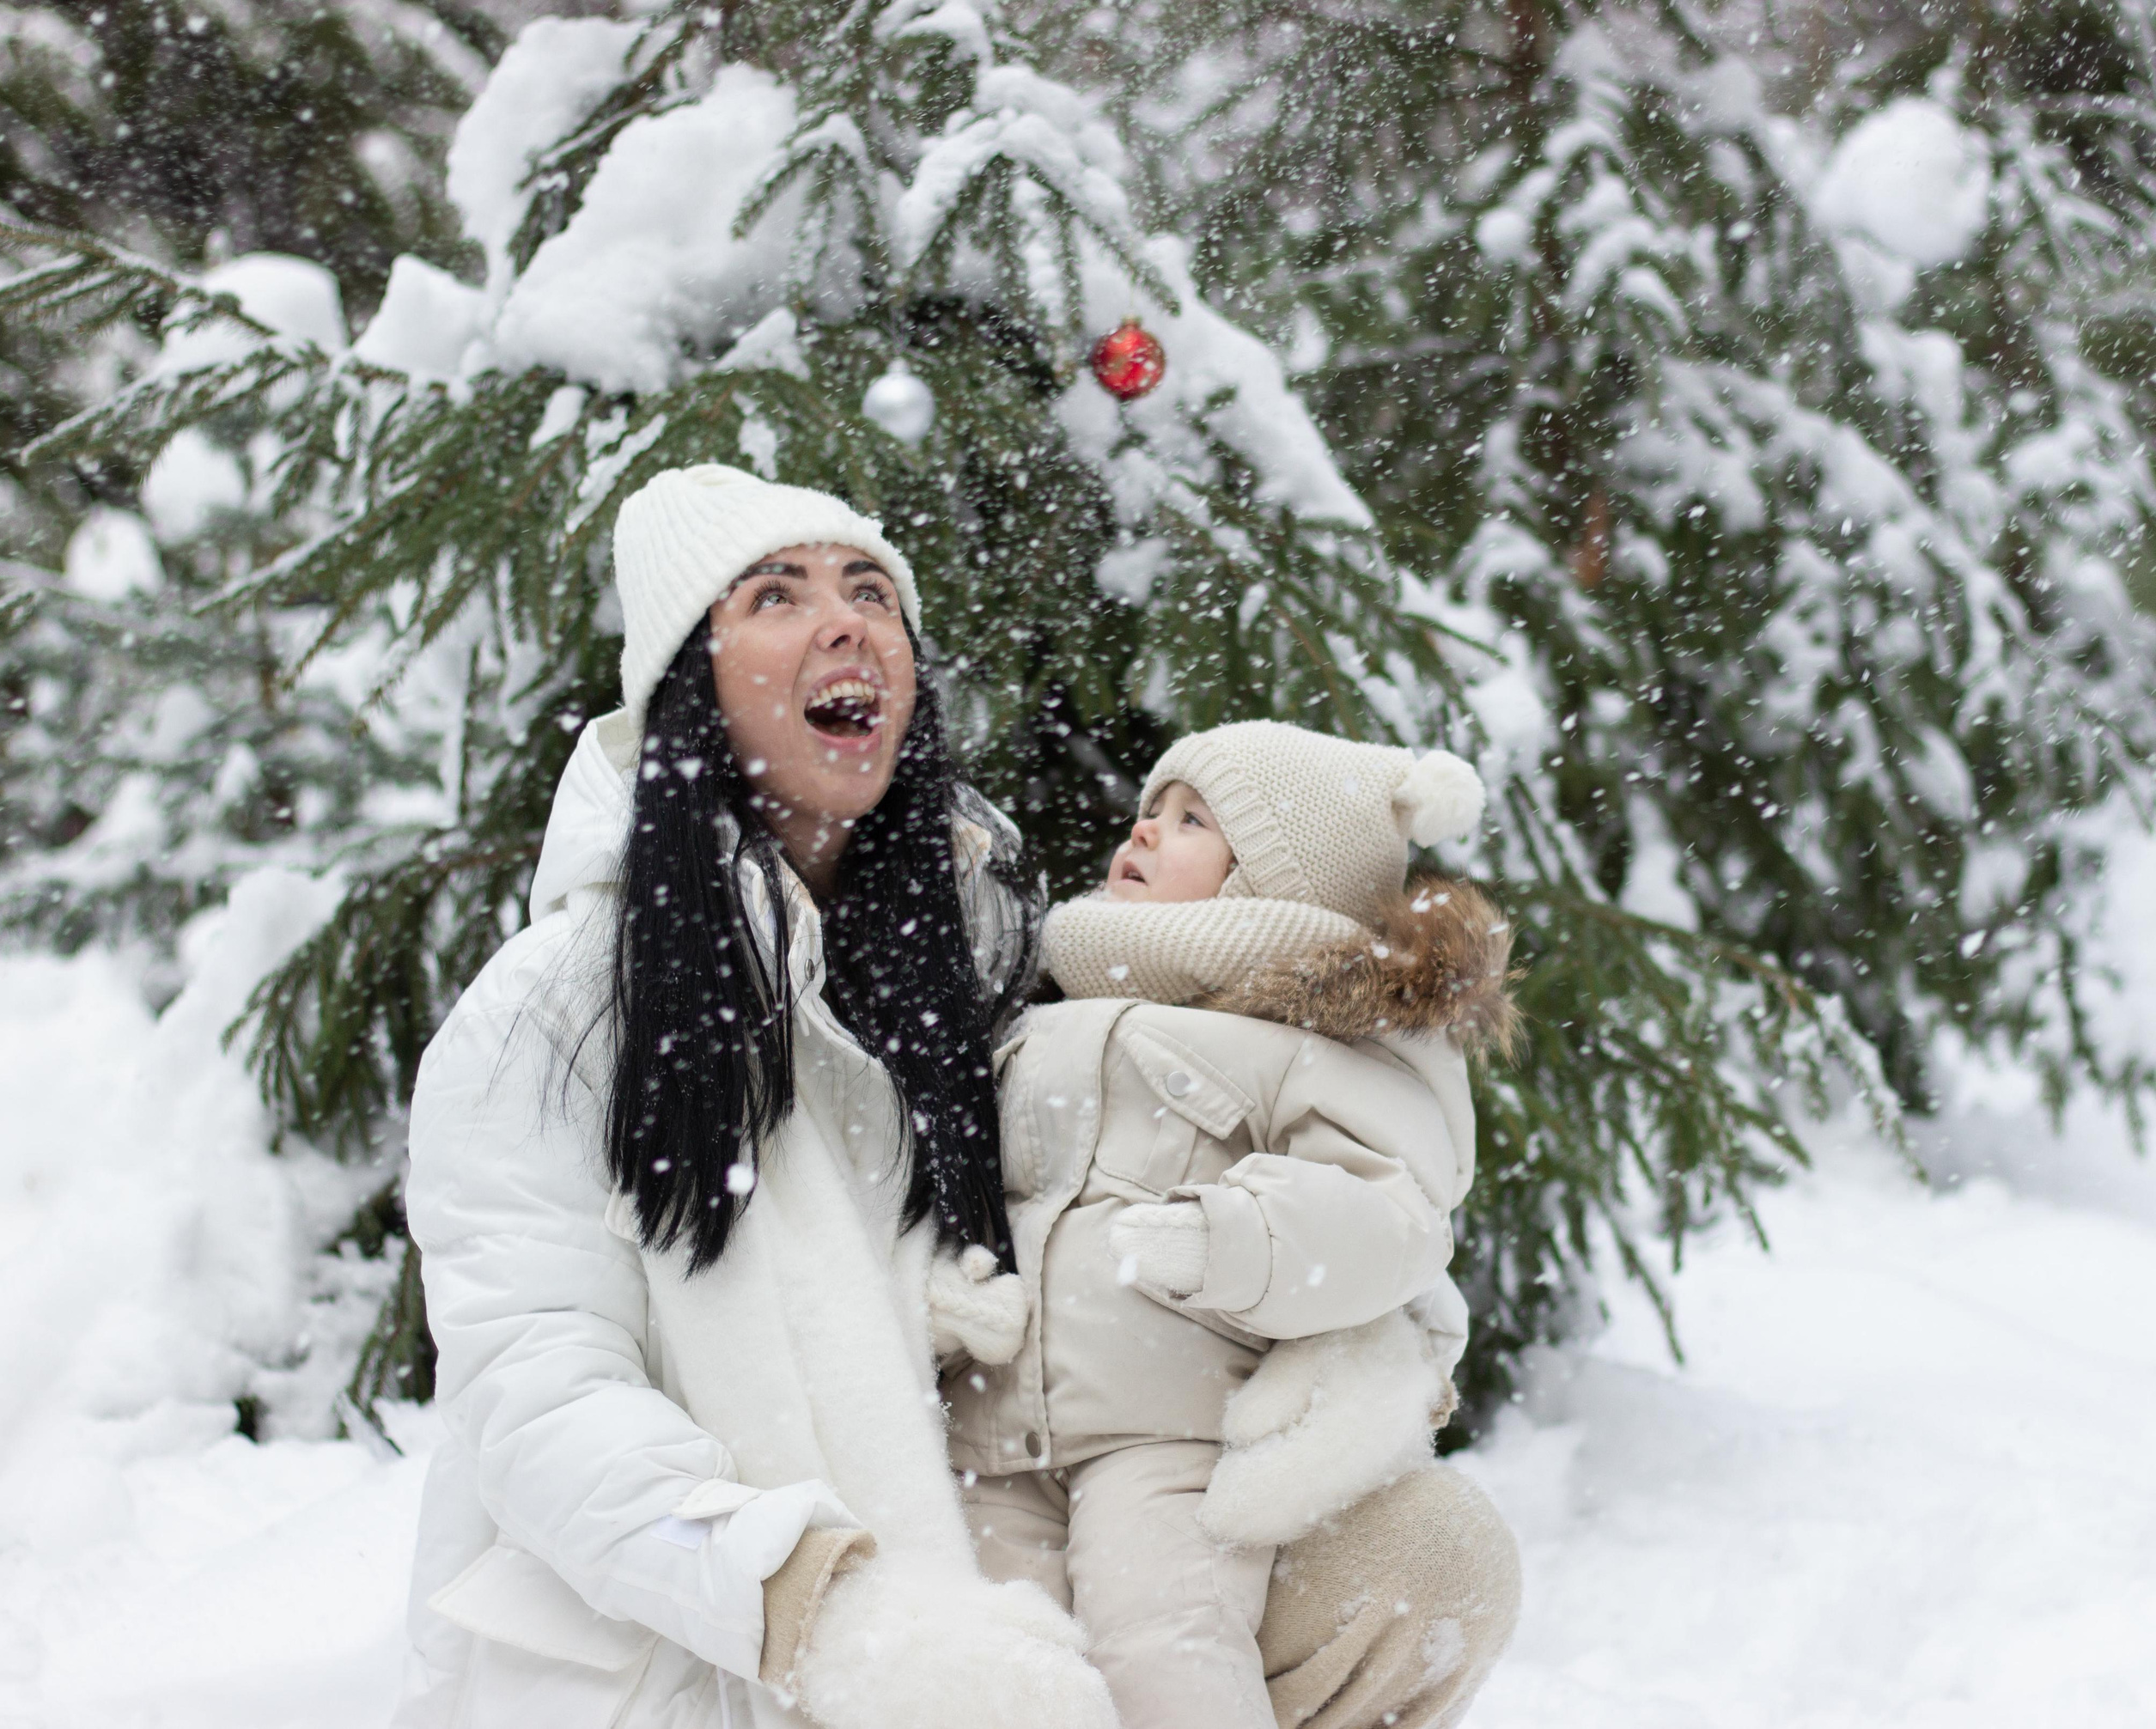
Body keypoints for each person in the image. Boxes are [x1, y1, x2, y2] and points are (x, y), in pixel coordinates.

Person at [394, 465, 1521, 1729]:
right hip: (695, 1656)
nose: (848, 622)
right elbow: (540, 1403)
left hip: (976, 1565)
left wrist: (1332, 1340)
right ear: (687, 693)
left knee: (1415, 1561)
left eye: (872, 589)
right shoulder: (554, 1008)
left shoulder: (962, 970)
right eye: (777, 593)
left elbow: (1144, 1215)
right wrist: (819, 1606)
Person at [947, 721, 1524, 1729]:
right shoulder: (1040, 1011)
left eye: (1190, 820)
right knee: (1004, 1673)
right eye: (1148, 809)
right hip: (990, 1434)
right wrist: (948, 1290)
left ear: (1267, 881)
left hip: (1165, 1442)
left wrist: (1231, 1239)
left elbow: (1389, 1220)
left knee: (1165, 1647)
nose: (1142, 829)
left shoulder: (1309, 1043)